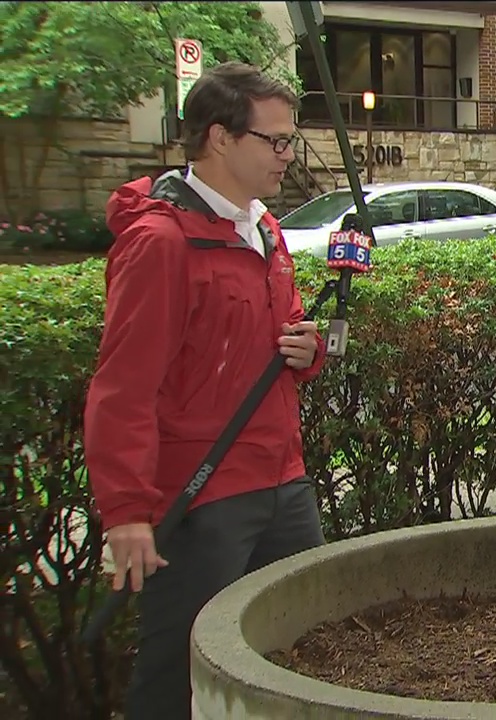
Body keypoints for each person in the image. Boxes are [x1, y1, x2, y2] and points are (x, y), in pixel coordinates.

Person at [83, 62, 327, 719]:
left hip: (285, 479)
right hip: (202, 494)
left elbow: (280, 334)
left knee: (302, 646)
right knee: (179, 673)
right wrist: (128, 511)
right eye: (275, 141)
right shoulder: (160, 243)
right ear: (220, 139)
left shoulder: (265, 229)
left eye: (290, 140)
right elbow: (123, 386)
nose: (288, 155)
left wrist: (307, 349)